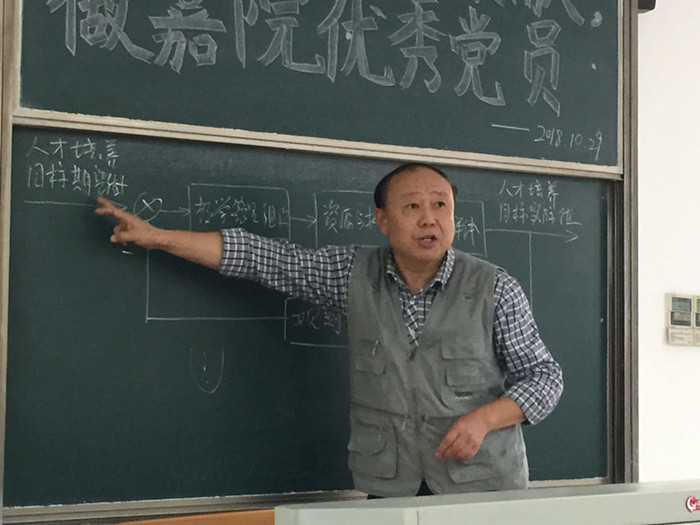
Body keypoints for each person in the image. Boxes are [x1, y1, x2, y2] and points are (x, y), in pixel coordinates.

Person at [95, 162, 563, 498]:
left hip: (482, 489)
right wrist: (158, 237)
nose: (429, 218)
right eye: (413, 206)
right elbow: (260, 257)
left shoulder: (494, 287)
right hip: (390, 489)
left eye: (441, 205)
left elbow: (545, 378)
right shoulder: (350, 273)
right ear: (383, 220)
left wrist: (484, 419)